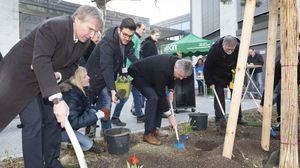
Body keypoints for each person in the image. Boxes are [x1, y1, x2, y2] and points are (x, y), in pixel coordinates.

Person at [0, 5, 103, 167]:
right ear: (77, 19)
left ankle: (52, 162)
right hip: (20, 78)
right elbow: (40, 60)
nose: (92, 35)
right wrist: (57, 100)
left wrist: (58, 74)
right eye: (90, 29)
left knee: (53, 120)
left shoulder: (83, 42)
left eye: (95, 32)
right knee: (34, 121)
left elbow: (72, 66)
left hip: (44, 79)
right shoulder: (54, 26)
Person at [128, 54, 193, 145]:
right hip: (136, 73)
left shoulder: (177, 62)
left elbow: (172, 77)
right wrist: (170, 115)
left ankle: (155, 129)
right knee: (153, 98)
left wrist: (171, 90)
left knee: (159, 99)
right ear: (175, 68)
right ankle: (148, 134)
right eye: (180, 75)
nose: (181, 78)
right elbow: (160, 93)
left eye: (183, 77)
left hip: (151, 75)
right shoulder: (163, 69)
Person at [86, 18, 138, 128]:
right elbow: (107, 67)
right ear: (119, 30)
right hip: (93, 79)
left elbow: (121, 60)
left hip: (107, 79)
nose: (127, 38)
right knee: (89, 108)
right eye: (125, 34)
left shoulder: (127, 44)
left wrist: (123, 74)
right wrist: (113, 90)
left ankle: (107, 134)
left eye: (130, 36)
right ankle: (90, 137)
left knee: (106, 108)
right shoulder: (108, 42)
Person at [60, 66, 105, 153]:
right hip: (60, 130)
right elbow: (74, 123)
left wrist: (96, 113)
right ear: (78, 80)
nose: (89, 77)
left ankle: (89, 139)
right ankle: (63, 144)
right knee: (87, 145)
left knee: (93, 112)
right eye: (85, 76)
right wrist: (96, 116)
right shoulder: (71, 95)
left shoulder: (82, 89)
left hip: (70, 126)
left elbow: (87, 108)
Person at [204, 35, 245, 127]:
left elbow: (242, 62)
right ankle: (220, 119)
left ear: (235, 46)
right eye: (228, 49)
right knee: (219, 95)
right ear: (223, 45)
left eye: (232, 49)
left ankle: (238, 117)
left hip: (232, 74)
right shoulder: (214, 50)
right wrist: (209, 82)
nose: (230, 51)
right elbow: (207, 67)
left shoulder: (239, 48)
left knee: (236, 95)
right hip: (218, 75)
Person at [111, 22, 147, 125]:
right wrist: (126, 71)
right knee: (124, 96)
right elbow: (128, 55)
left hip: (133, 71)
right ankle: (115, 117)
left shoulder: (136, 39)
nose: (144, 32)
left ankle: (139, 115)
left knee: (137, 94)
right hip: (129, 72)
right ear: (137, 28)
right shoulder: (134, 38)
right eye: (143, 29)